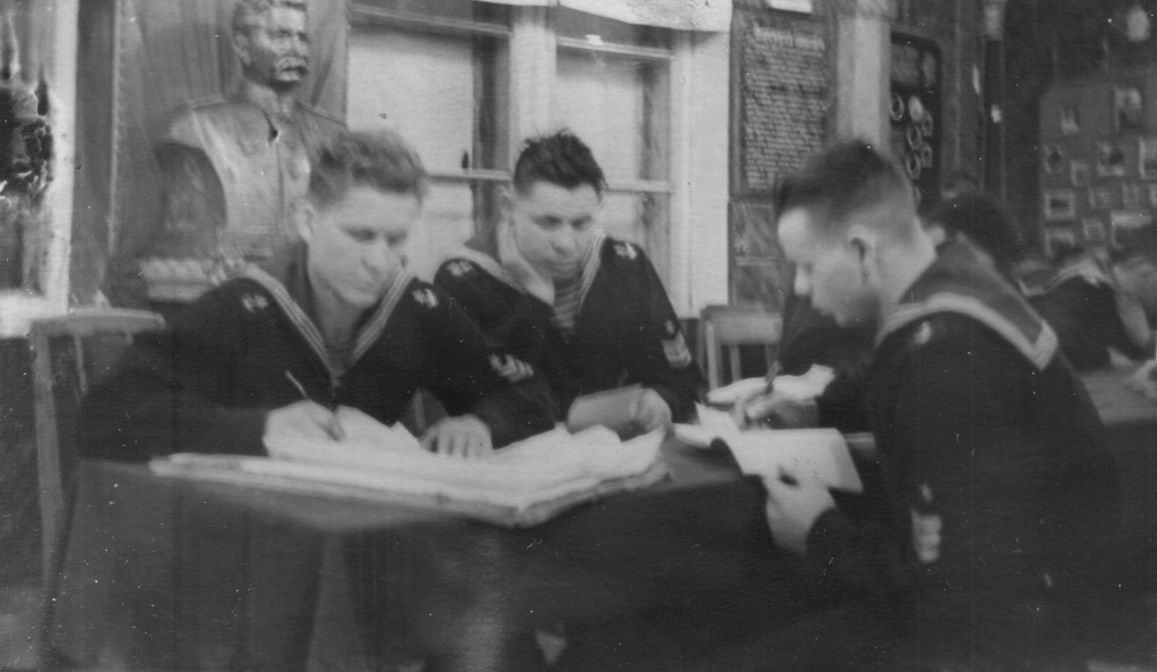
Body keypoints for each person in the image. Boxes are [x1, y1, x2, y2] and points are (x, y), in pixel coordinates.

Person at [754, 140, 1120, 670]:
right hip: (1048, 615)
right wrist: (827, 417)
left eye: (806, 266)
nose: (802, 288)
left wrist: (819, 532)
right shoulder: (960, 288)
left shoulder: (944, 357)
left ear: (861, 250)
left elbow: (963, 597)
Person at [82, 131, 555, 461]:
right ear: (308, 222)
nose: (379, 260)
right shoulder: (242, 307)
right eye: (361, 235)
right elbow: (105, 416)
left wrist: (480, 424)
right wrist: (259, 428)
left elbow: (527, 393)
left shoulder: (416, 308)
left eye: (395, 240)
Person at [434, 129, 703, 434]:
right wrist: (535, 304)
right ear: (507, 206)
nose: (566, 243)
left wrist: (663, 400)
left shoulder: (623, 266)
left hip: (614, 450)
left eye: (581, 223)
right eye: (548, 222)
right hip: (512, 456)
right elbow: (468, 401)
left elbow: (683, 378)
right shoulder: (463, 279)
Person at [152, 0, 344, 260]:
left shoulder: (332, 134)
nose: (296, 49)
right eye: (281, 36)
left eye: (302, 38)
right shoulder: (195, 127)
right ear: (243, 47)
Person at [1030, 245, 1151, 370]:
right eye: (1088, 259)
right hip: (1121, 364)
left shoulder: (1055, 295)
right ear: (1073, 261)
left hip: (1109, 365)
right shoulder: (1093, 286)